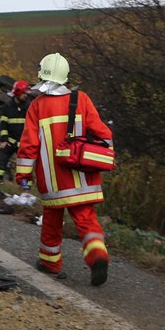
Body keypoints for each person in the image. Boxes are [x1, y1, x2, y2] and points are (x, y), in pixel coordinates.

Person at [15, 53, 113, 285]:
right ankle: (97, 254)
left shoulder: (36, 106)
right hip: (82, 177)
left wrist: (23, 175)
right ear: (65, 76)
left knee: (52, 221)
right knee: (86, 219)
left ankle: (50, 262)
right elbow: (104, 135)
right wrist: (101, 154)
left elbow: (29, 145)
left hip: (52, 181)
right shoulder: (81, 99)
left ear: (42, 74)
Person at [0, 80, 31, 182]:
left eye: (26, 94)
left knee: (26, 164)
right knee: (0, 156)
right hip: (10, 141)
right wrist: (4, 140)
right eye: (24, 93)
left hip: (23, 142)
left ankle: (25, 186)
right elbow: (3, 125)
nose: (25, 96)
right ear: (18, 92)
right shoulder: (7, 107)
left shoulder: (29, 107)